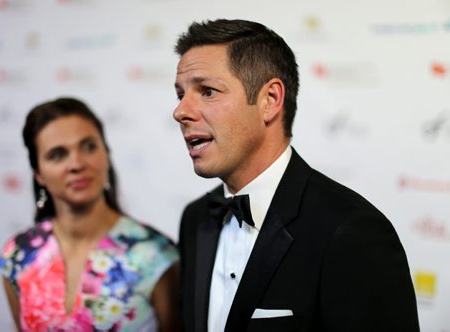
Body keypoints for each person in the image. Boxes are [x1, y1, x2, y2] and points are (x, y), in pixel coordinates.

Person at [173, 19, 419, 332]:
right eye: (180, 94)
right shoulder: (196, 219)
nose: (180, 111)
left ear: (270, 100)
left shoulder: (351, 232)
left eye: (207, 91)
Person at [0, 97, 179, 331]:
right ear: (39, 174)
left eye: (88, 146)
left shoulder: (155, 255)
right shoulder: (19, 255)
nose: (76, 163)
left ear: (106, 154)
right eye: (57, 154)